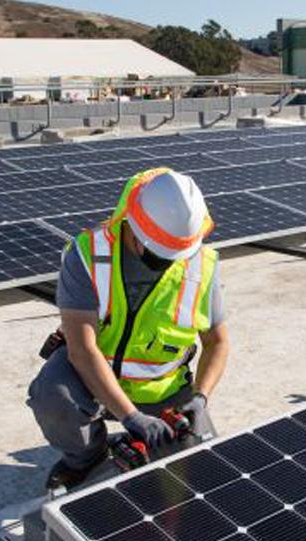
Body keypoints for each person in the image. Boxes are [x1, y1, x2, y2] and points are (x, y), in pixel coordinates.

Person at [28, 167, 230, 490]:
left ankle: (150, 436)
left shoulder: (201, 265)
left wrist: (200, 397)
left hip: (162, 392)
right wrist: (130, 418)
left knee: (195, 479)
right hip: (92, 380)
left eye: (176, 256)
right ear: (134, 230)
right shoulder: (88, 256)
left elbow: (217, 343)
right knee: (54, 395)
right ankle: (86, 458)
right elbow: (82, 350)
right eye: (159, 256)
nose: (169, 264)